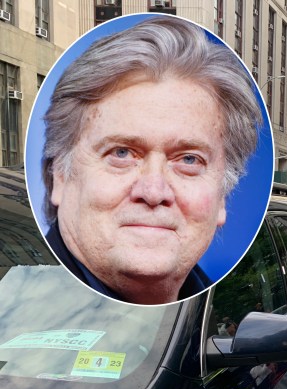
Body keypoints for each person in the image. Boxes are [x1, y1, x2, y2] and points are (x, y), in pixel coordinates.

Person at [40, 16, 263, 305]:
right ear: (59, 173)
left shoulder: (220, 310)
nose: (154, 192)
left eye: (189, 159)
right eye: (121, 153)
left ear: (222, 196)